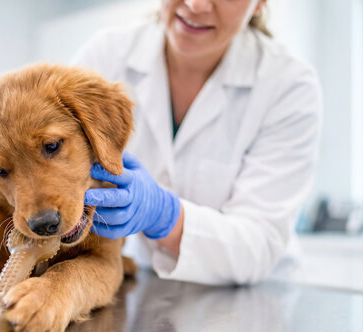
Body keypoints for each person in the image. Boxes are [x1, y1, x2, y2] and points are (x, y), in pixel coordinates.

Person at [71, 0, 321, 285]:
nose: (195, 4)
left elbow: (257, 245)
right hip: (140, 284)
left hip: (249, 297)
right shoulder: (106, 54)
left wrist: (163, 215)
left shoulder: (288, 86)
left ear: (260, 4)